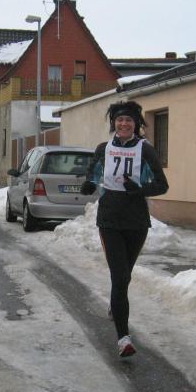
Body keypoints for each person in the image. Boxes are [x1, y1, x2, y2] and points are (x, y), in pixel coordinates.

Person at [80, 100, 168, 357]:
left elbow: (162, 185)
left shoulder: (145, 150)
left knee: (124, 276)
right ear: (114, 123)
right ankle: (123, 338)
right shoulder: (104, 148)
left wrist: (139, 189)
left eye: (128, 120)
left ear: (136, 124)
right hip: (109, 219)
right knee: (119, 277)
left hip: (136, 220)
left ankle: (115, 304)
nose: (124, 124)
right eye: (119, 119)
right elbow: (93, 174)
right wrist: (88, 184)